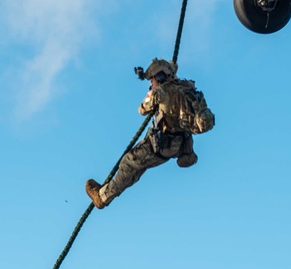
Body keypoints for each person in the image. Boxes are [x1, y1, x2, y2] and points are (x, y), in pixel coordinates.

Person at [85, 59, 210, 210]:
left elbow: (142, 109)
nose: (151, 83)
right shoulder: (186, 88)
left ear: (159, 78)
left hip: (159, 145)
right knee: (136, 170)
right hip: (179, 145)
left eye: (152, 80)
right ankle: (108, 191)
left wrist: (151, 92)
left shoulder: (159, 92)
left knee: (127, 163)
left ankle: (102, 197)